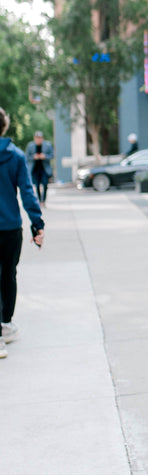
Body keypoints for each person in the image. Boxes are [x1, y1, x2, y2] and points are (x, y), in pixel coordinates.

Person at [0, 109, 45, 359]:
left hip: (9, 226)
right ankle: (5, 324)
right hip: (10, 228)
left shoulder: (18, 156)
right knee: (8, 274)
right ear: (5, 126)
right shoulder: (16, 156)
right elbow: (27, 192)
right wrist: (37, 224)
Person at [25, 130, 53, 205]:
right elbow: (27, 157)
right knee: (37, 185)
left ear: (42, 138)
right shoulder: (30, 146)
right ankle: (40, 200)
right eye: (37, 138)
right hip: (35, 169)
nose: (38, 139)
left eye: (40, 138)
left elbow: (52, 155)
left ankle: (43, 200)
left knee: (45, 184)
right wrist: (33, 157)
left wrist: (45, 156)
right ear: (34, 138)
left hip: (44, 169)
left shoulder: (48, 145)